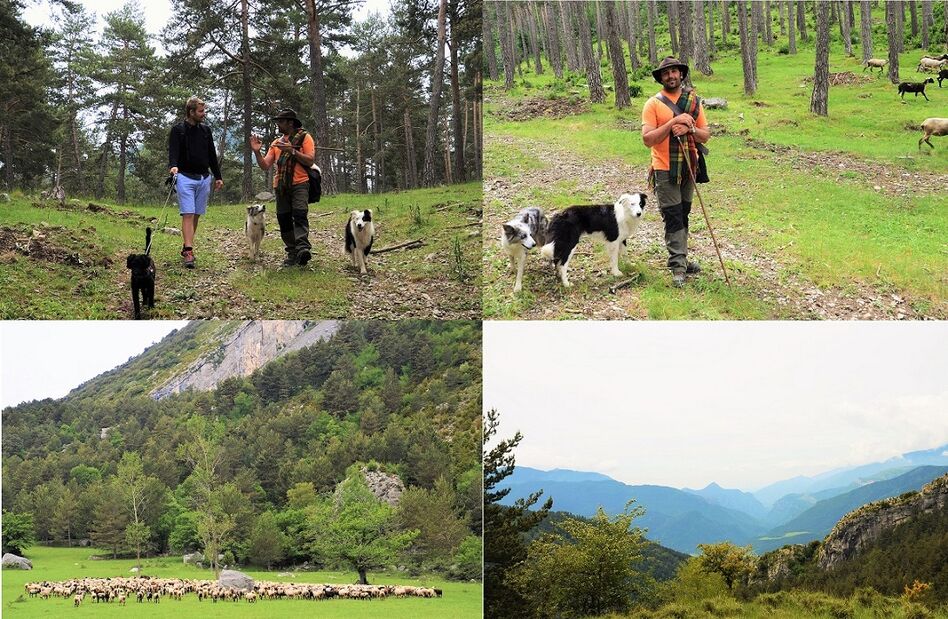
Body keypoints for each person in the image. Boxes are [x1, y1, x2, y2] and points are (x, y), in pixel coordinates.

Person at [641, 57, 711, 288]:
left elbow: (705, 135)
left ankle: (682, 258)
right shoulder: (653, 104)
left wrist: (689, 127)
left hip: (690, 166)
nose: (671, 76)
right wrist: (672, 123)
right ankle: (678, 266)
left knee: (683, 214)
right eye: (666, 73)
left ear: (681, 74)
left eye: (674, 72)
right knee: (672, 217)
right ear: (661, 78)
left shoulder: (694, 101)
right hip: (664, 168)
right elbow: (647, 139)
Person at [249, 108, 316, 267]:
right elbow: (265, 165)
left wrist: (292, 151)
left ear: (290, 123)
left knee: (300, 214)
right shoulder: (276, 143)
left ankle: (302, 249)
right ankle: (292, 252)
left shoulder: (305, 138)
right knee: (284, 219)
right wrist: (257, 152)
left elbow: (310, 161)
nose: (278, 124)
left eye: (281, 121)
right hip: (281, 186)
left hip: (300, 183)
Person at [168, 96, 224, 269]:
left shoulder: (206, 131)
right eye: (201, 111)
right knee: (188, 213)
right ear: (191, 112)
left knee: (196, 214)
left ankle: (187, 245)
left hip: (203, 178)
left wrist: (218, 176)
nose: (204, 114)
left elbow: (211, 155)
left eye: (204, 111)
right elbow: (173, 151)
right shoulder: (178, 130)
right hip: (184, 177)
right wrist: (173, 167)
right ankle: (189, 251)